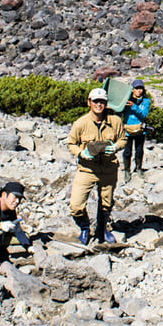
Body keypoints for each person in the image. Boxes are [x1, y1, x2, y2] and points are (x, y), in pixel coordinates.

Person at [67, 87, 126, 245]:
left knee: (106, 203)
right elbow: (71, 143)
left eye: (102, 102)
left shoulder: (115, 121)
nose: (99, 104)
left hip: (108, 168)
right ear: (89, 102)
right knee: (76, 205)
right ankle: (85, 227)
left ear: (106, 104)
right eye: (95, 101)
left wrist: (116, 147)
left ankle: (102, 229)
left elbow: (123, 139)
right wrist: (81, 153)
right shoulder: (81, 123)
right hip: (87, 169)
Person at [122, 79, 152, 178]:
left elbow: (143, 115)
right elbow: (119, 112)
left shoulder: (146, 101)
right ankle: (127, 170)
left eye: (140, 88)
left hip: (140, 130)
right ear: (132, 90)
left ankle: (139, 168)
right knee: (127, 151)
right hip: (128, 130)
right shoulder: (126, 99)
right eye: (136, 88)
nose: (139, 91)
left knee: (139, 151)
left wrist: (134, 106)